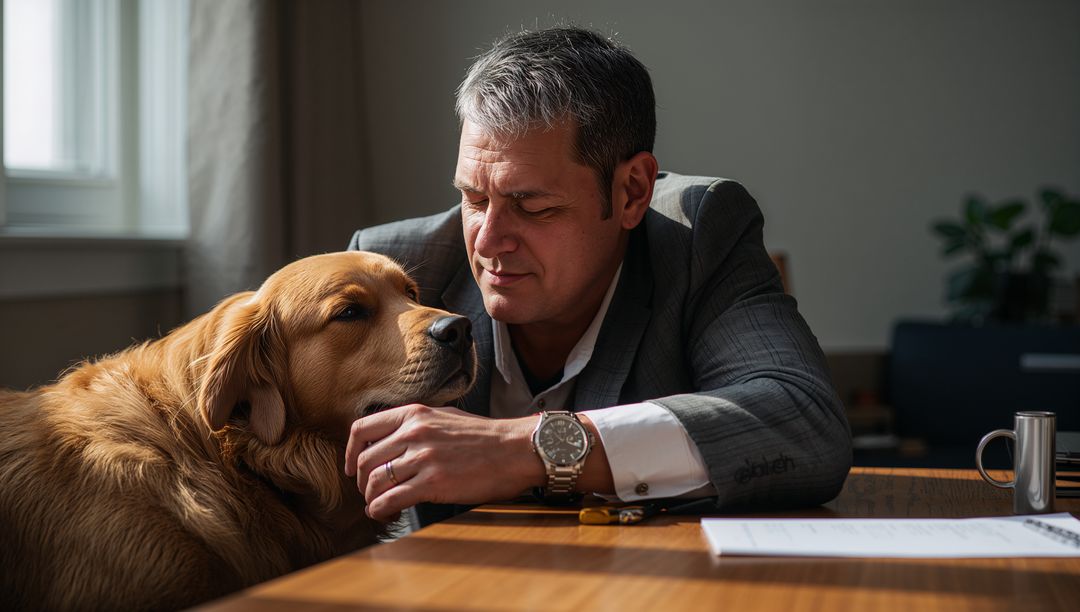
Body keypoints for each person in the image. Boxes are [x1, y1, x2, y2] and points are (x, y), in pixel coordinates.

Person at [344, 26, 851, 524]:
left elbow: (802, 421)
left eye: (533, 206)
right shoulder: (388, 274)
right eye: (474, 199)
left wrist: (525, 448)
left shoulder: (697, 235)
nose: (487, 239)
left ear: (632, 191)